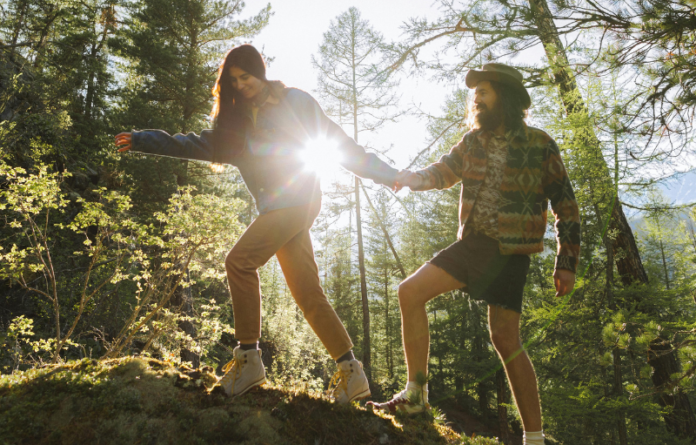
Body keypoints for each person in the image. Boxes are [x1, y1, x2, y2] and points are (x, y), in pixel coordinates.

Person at [115, 44, 399, 403]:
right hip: (275, 209)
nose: (241, 85)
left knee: (239, 261)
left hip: (300, 198)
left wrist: (385, 174)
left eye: (245, 76)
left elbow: (339, 144)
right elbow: (193, 144)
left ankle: (249, 359)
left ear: (260, 72)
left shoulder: (294, 101)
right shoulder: (235, 127)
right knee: (307, 293)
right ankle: (351, 372)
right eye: (233, 81)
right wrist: (143, 140)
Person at [368, 63, 580, 445]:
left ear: (506, 97)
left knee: (505, 339)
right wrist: (410, 178)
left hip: (512, 253)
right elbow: (442, 172)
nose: (477, 98)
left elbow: (566, 206)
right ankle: (416, 395)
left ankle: (534, 437)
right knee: (410, 291)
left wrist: (566, 264)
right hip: (473, 246)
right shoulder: (472, 142)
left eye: (484, 91)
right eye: (475, 93)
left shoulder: (539, 144)